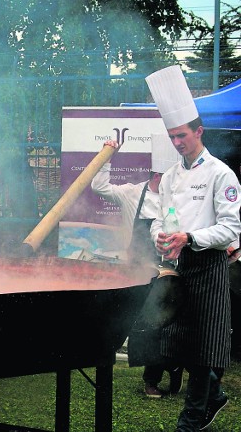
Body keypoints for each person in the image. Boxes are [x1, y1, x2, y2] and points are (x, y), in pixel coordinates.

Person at [146, 65, 241, 431]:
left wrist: (191, 237)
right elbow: (159, 218)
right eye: (172, 136)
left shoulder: (221, 174)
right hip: (179, 268)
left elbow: (231, 228)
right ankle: (213, 395)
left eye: (182, 135)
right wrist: (161, 235)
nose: (177, 142)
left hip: (210, 267)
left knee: (205, 349)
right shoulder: (169, 177)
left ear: (198, 131)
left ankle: (191, 419)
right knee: (177, 343)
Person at [91, 137, 184, 399]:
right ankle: (156, 373)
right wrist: (107, 156)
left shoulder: (177, 199)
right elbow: (99, 186)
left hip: (167, 269)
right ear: (157, 176)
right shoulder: (132, 192)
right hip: (136, 267)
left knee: (163, 323)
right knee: (141, 322)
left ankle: (163, 371)